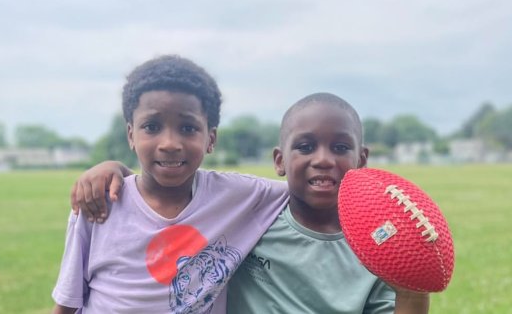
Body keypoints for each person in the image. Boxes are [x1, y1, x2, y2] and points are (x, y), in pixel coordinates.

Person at [72, 93, 430, 313]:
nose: (323, 159)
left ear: (362, 159)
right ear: (279, 161)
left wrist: (414, 289)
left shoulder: (379, 246)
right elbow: (170, 188)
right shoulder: (252, 216)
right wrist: (114, 170)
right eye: (305, 147)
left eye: (340, 148)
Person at [51, 55, 290, 314]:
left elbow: (311, 191)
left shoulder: (239, 196)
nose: (169, 144)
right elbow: (66, 304)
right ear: (131, 135)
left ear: (211, 139)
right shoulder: (98, 205)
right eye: (151, 127)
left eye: (188, 128)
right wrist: (113, 167)